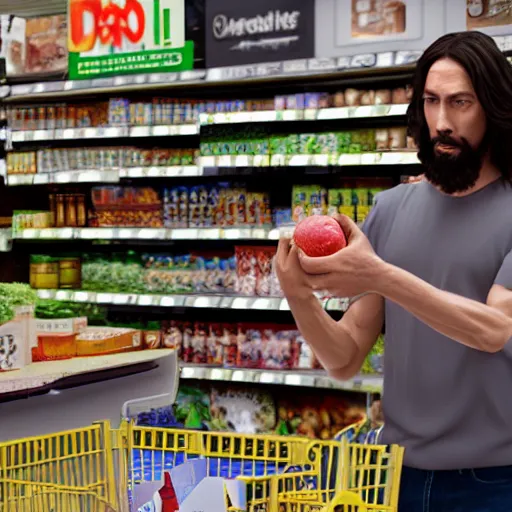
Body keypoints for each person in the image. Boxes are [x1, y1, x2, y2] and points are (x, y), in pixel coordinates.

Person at [275, 31, 512, 512]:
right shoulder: (390, 208)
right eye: (431, 102)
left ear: (492, 107)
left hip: (494, 482)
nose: (441, 122)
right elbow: (343, 359)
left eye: (460, 103)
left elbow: (495, 330)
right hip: (394, 475)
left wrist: (380, 274)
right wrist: (297, 294)